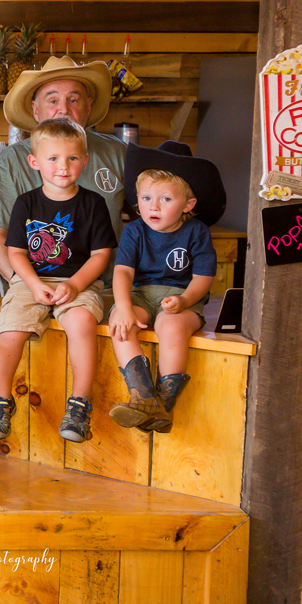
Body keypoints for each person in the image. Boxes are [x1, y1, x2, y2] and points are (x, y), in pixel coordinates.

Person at [0, 118, 117, 444]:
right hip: (31, 280)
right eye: (53, 158)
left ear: (84, 161)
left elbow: (101, 255)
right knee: (10, 329)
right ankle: (1, 401)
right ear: (35, 162)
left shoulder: (93, 204)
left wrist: (74, 285)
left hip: (80, 282)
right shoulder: (26, 203)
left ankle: (79, 404)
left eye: (72, 158)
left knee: (82, 322)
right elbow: (15, 252)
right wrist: (31, 285)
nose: (63, 167)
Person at [108, 141, 226, 433]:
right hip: (140, 295)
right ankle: (143, 395)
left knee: (170, 326)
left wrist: (185, 300)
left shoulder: (196, 232)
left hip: (181, 299)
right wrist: (123, 308)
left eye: (165, 199)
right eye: (146, 198)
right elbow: (123, 271)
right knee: (120, 324)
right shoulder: (134, 231)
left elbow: (203, 278)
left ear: (188, 205)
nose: (153, 207)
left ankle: (164, 403)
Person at [0, 56, 125, 285]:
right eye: (53, 100)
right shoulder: (12, 161)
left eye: (73, 100)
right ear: (36, 110)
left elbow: (149, 218)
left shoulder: (117, 153)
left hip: (107, 290)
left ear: (88, 107)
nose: (64, 110)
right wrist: (24, 285)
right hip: (34, 287)